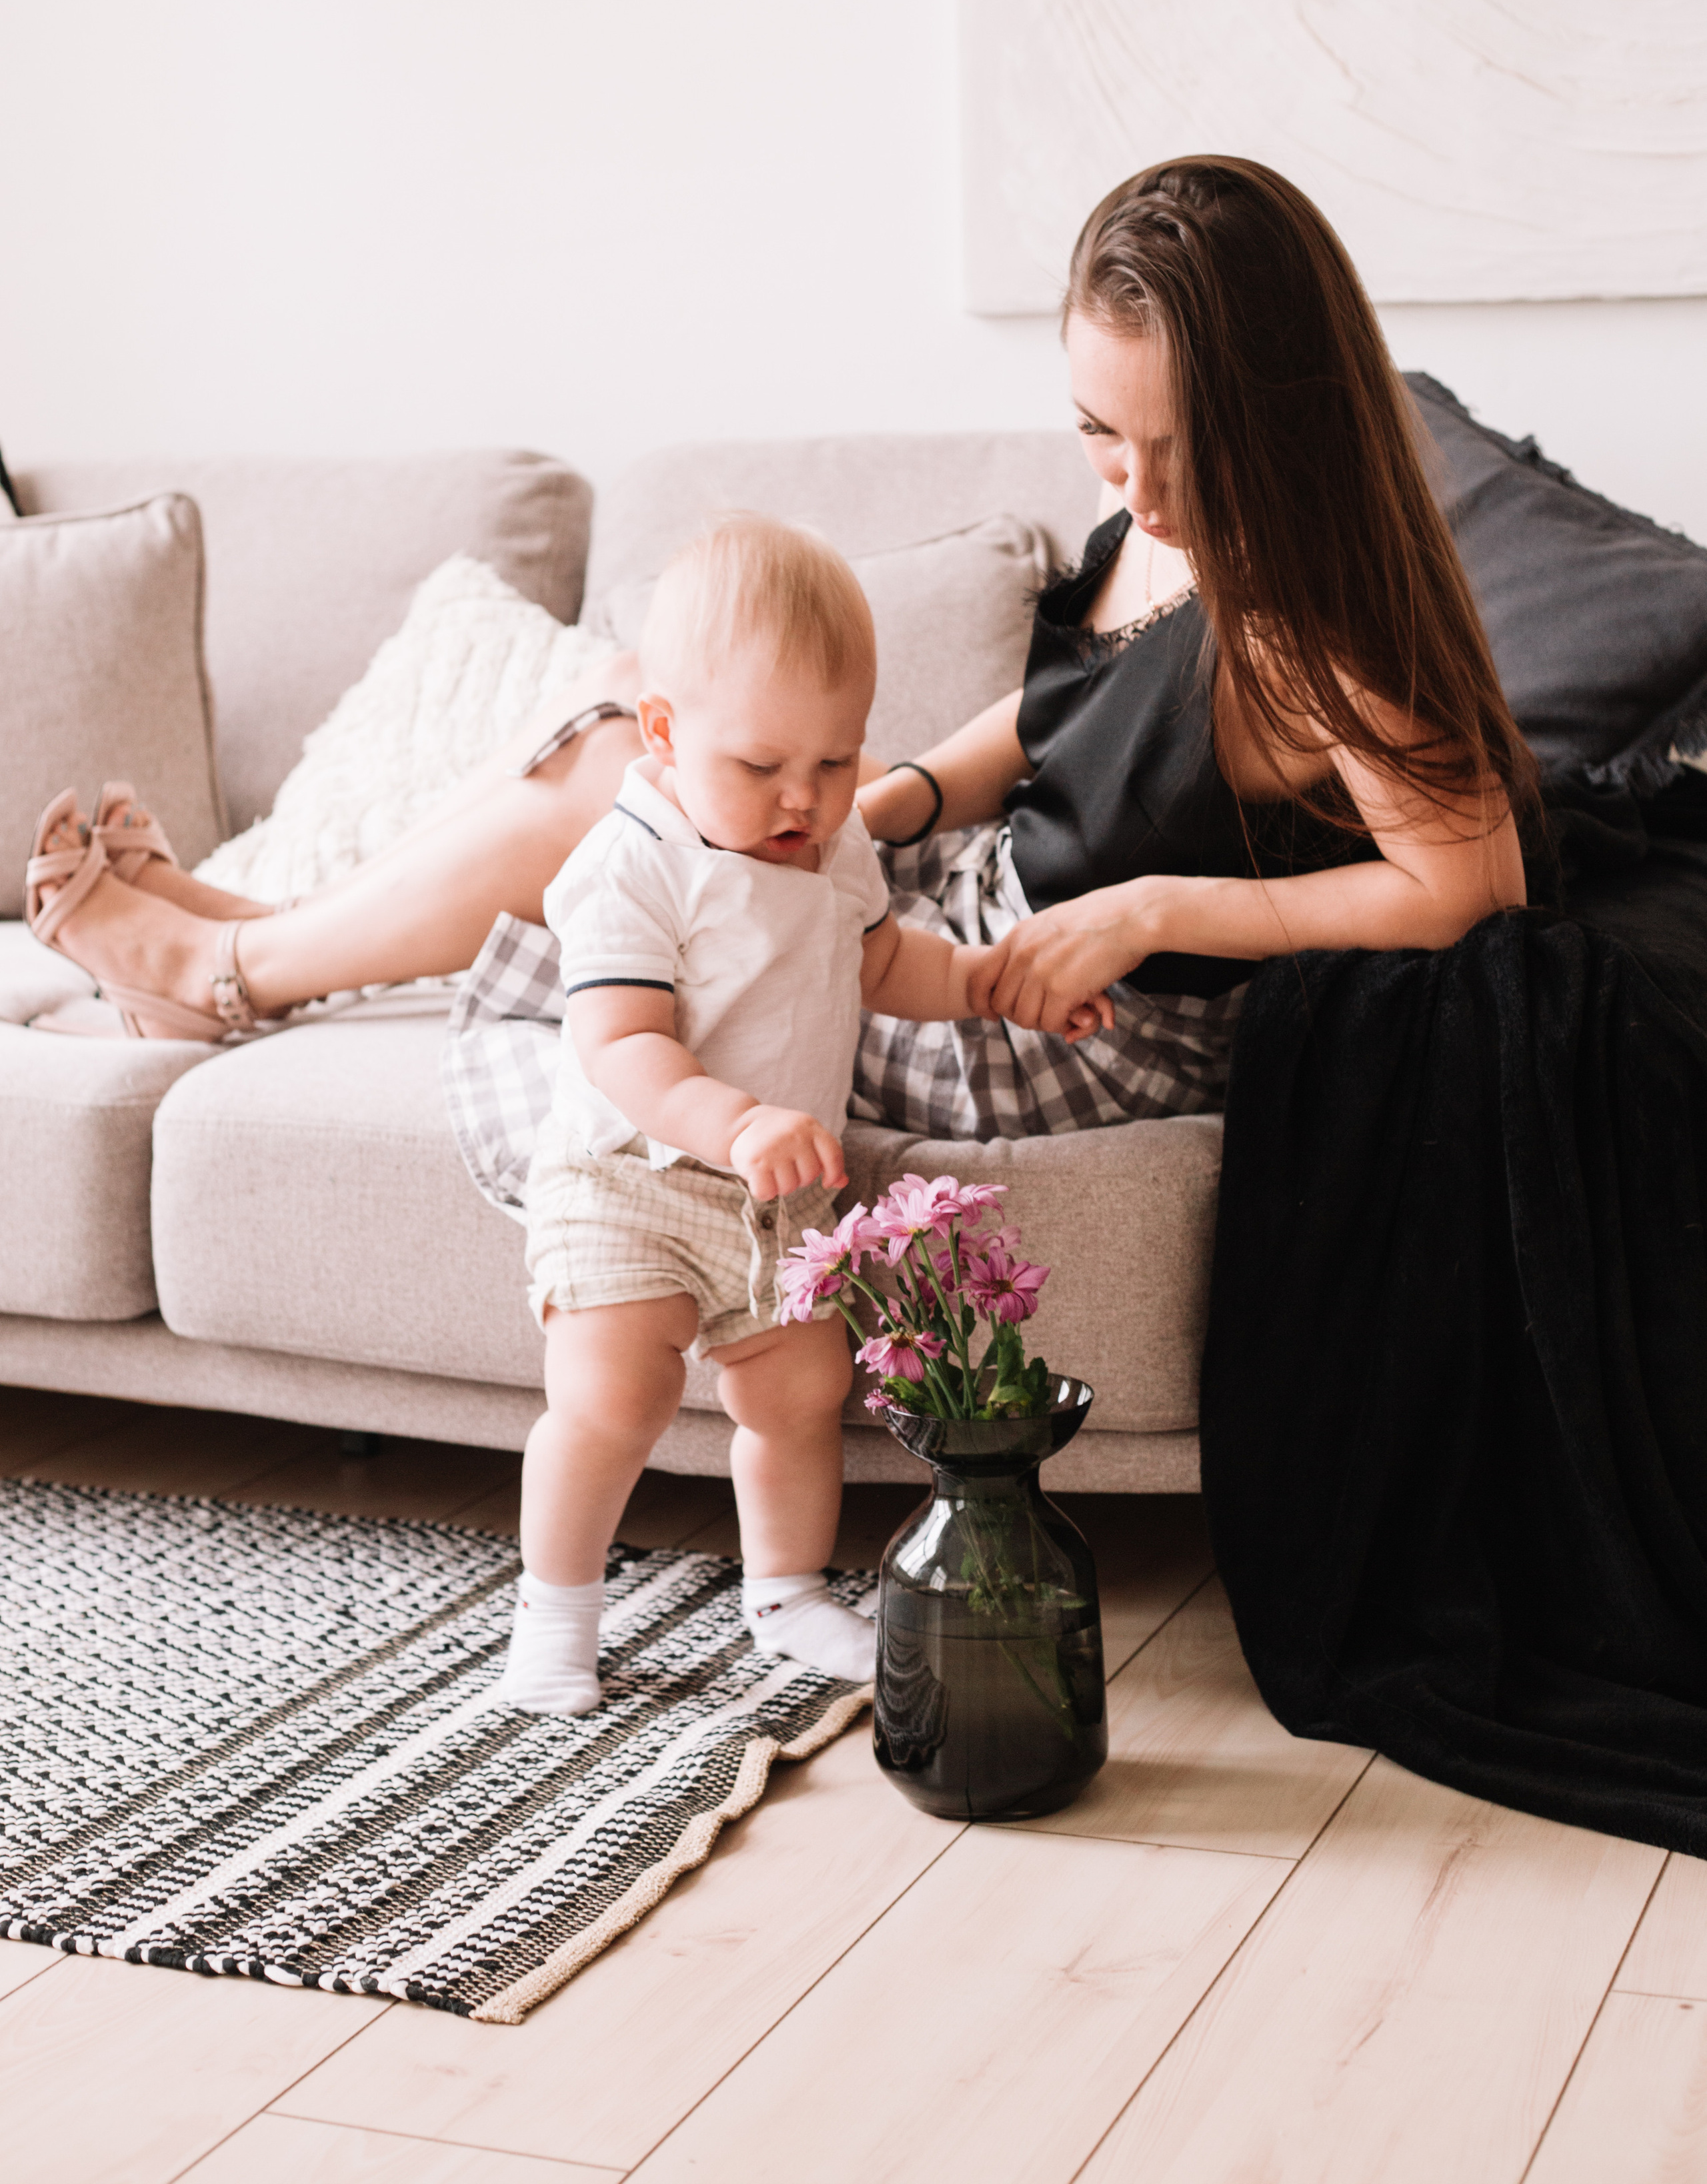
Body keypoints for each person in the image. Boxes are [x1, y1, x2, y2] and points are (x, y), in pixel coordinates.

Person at [26, 156, 1531, 1162]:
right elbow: (1076, 700)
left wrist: (1149, 909)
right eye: (1096, 434)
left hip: (1057, 1014)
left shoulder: (1312, 623)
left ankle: (229, 975)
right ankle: (268, 929)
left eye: (1173, 449)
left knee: (640, 790)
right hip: (988, 890)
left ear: (1275, 413)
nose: (1131, 490)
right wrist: (900, 798)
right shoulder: (1155, 524)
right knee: (633, 725)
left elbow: (1470, 884)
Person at [500, 515, 1106, 1715]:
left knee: (797, 1394)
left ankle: (783, 1594)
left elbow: (878, 965)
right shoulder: (631, 865)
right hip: (633, 1177)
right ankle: (553, 1617)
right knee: (613, 1399)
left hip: (782, 1194)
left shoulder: (832, 850)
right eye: (765, 766)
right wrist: (730, 1125)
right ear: (666, 735)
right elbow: (621, 1045)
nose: (805, 799)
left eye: (836, 764)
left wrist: (985, 985)